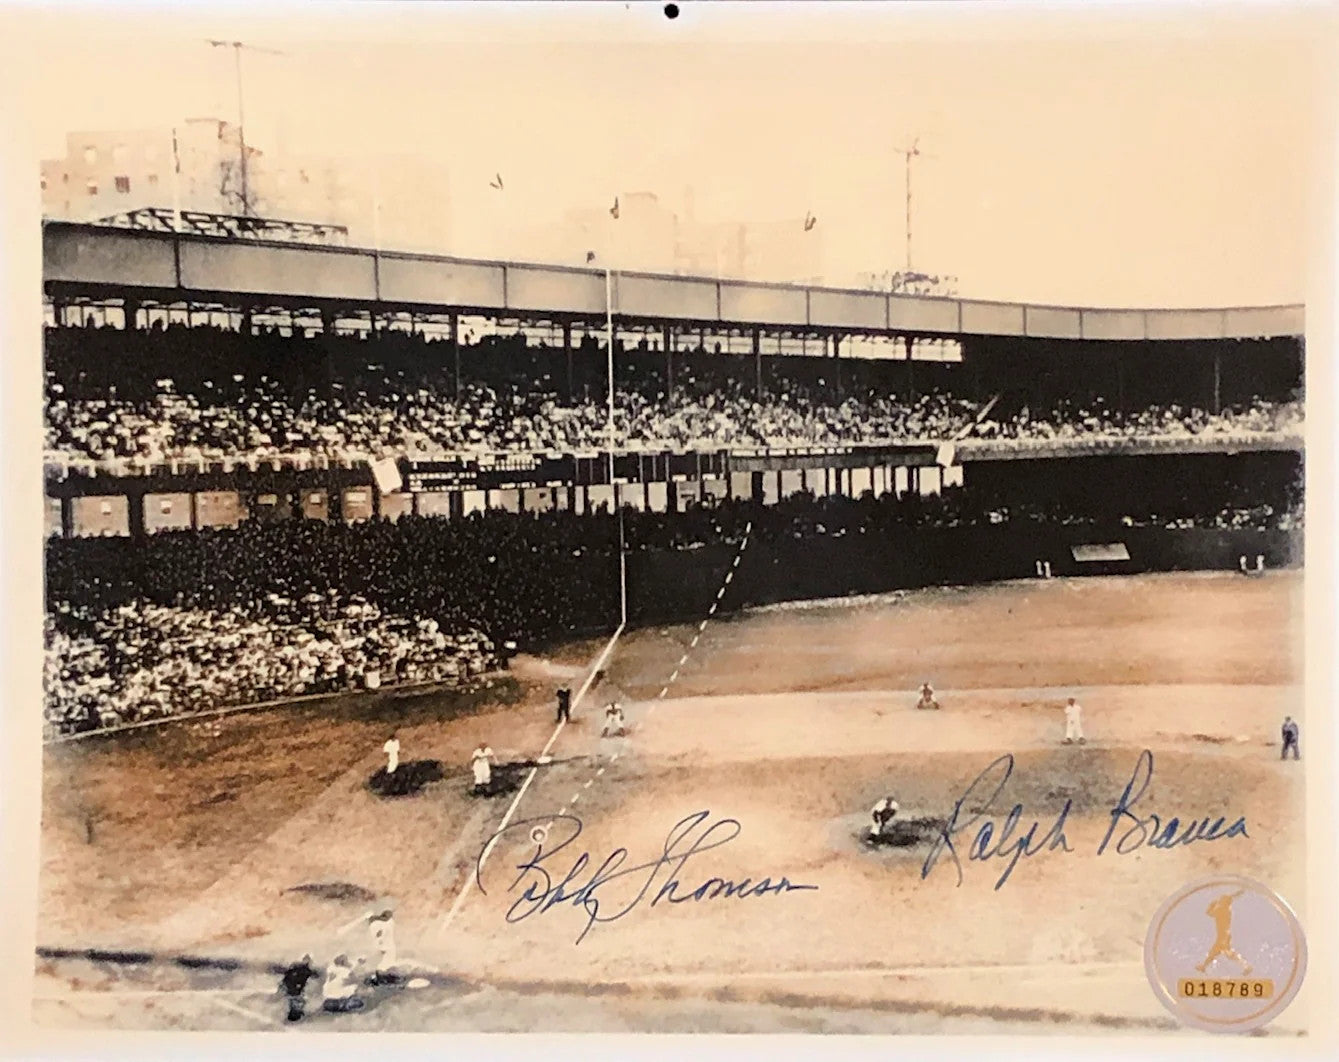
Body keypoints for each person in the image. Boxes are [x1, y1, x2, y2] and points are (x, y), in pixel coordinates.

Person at [279, 954, 317, 1023]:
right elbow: (311, 975)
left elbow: (287, 977)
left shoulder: (296, 968)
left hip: (292, 988)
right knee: (296, 1001)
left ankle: (294, 1016)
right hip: (295, 989)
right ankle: (294, 1016)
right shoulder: (304, 970)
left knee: (295, 1001)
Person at [367, 910, 397, 985]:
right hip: (383, 946)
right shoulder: (382, 924)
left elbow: (381, 933)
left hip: (386, 946)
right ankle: (378, 978)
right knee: (381, 962)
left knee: (386, 962)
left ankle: (383, 978)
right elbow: (378, 935)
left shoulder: (389, 923)